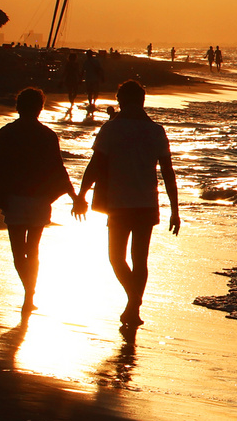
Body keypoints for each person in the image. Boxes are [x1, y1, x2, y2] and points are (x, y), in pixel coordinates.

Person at [77, 80, 180, 327]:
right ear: (142, 102)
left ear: (121, 101)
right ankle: (133, 305)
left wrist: (81, 194)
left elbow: (95, 165)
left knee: (116, 257)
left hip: (118, 202)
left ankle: (133, 301)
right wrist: (175, 210)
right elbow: (168, 171)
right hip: (146, 203)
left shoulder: (111, 129)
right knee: (139, 259)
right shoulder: (156, 130)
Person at [0, 87, 86, 314]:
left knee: (19, 252)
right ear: (40, 108)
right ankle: (30, 295)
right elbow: (59, 170)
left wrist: (1, 185)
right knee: (34, 250)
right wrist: (74, 196)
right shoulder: (47, 135)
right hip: (39, 201)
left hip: (15, 199)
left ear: (18, 107)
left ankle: (28, 292)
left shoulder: (6, 133)